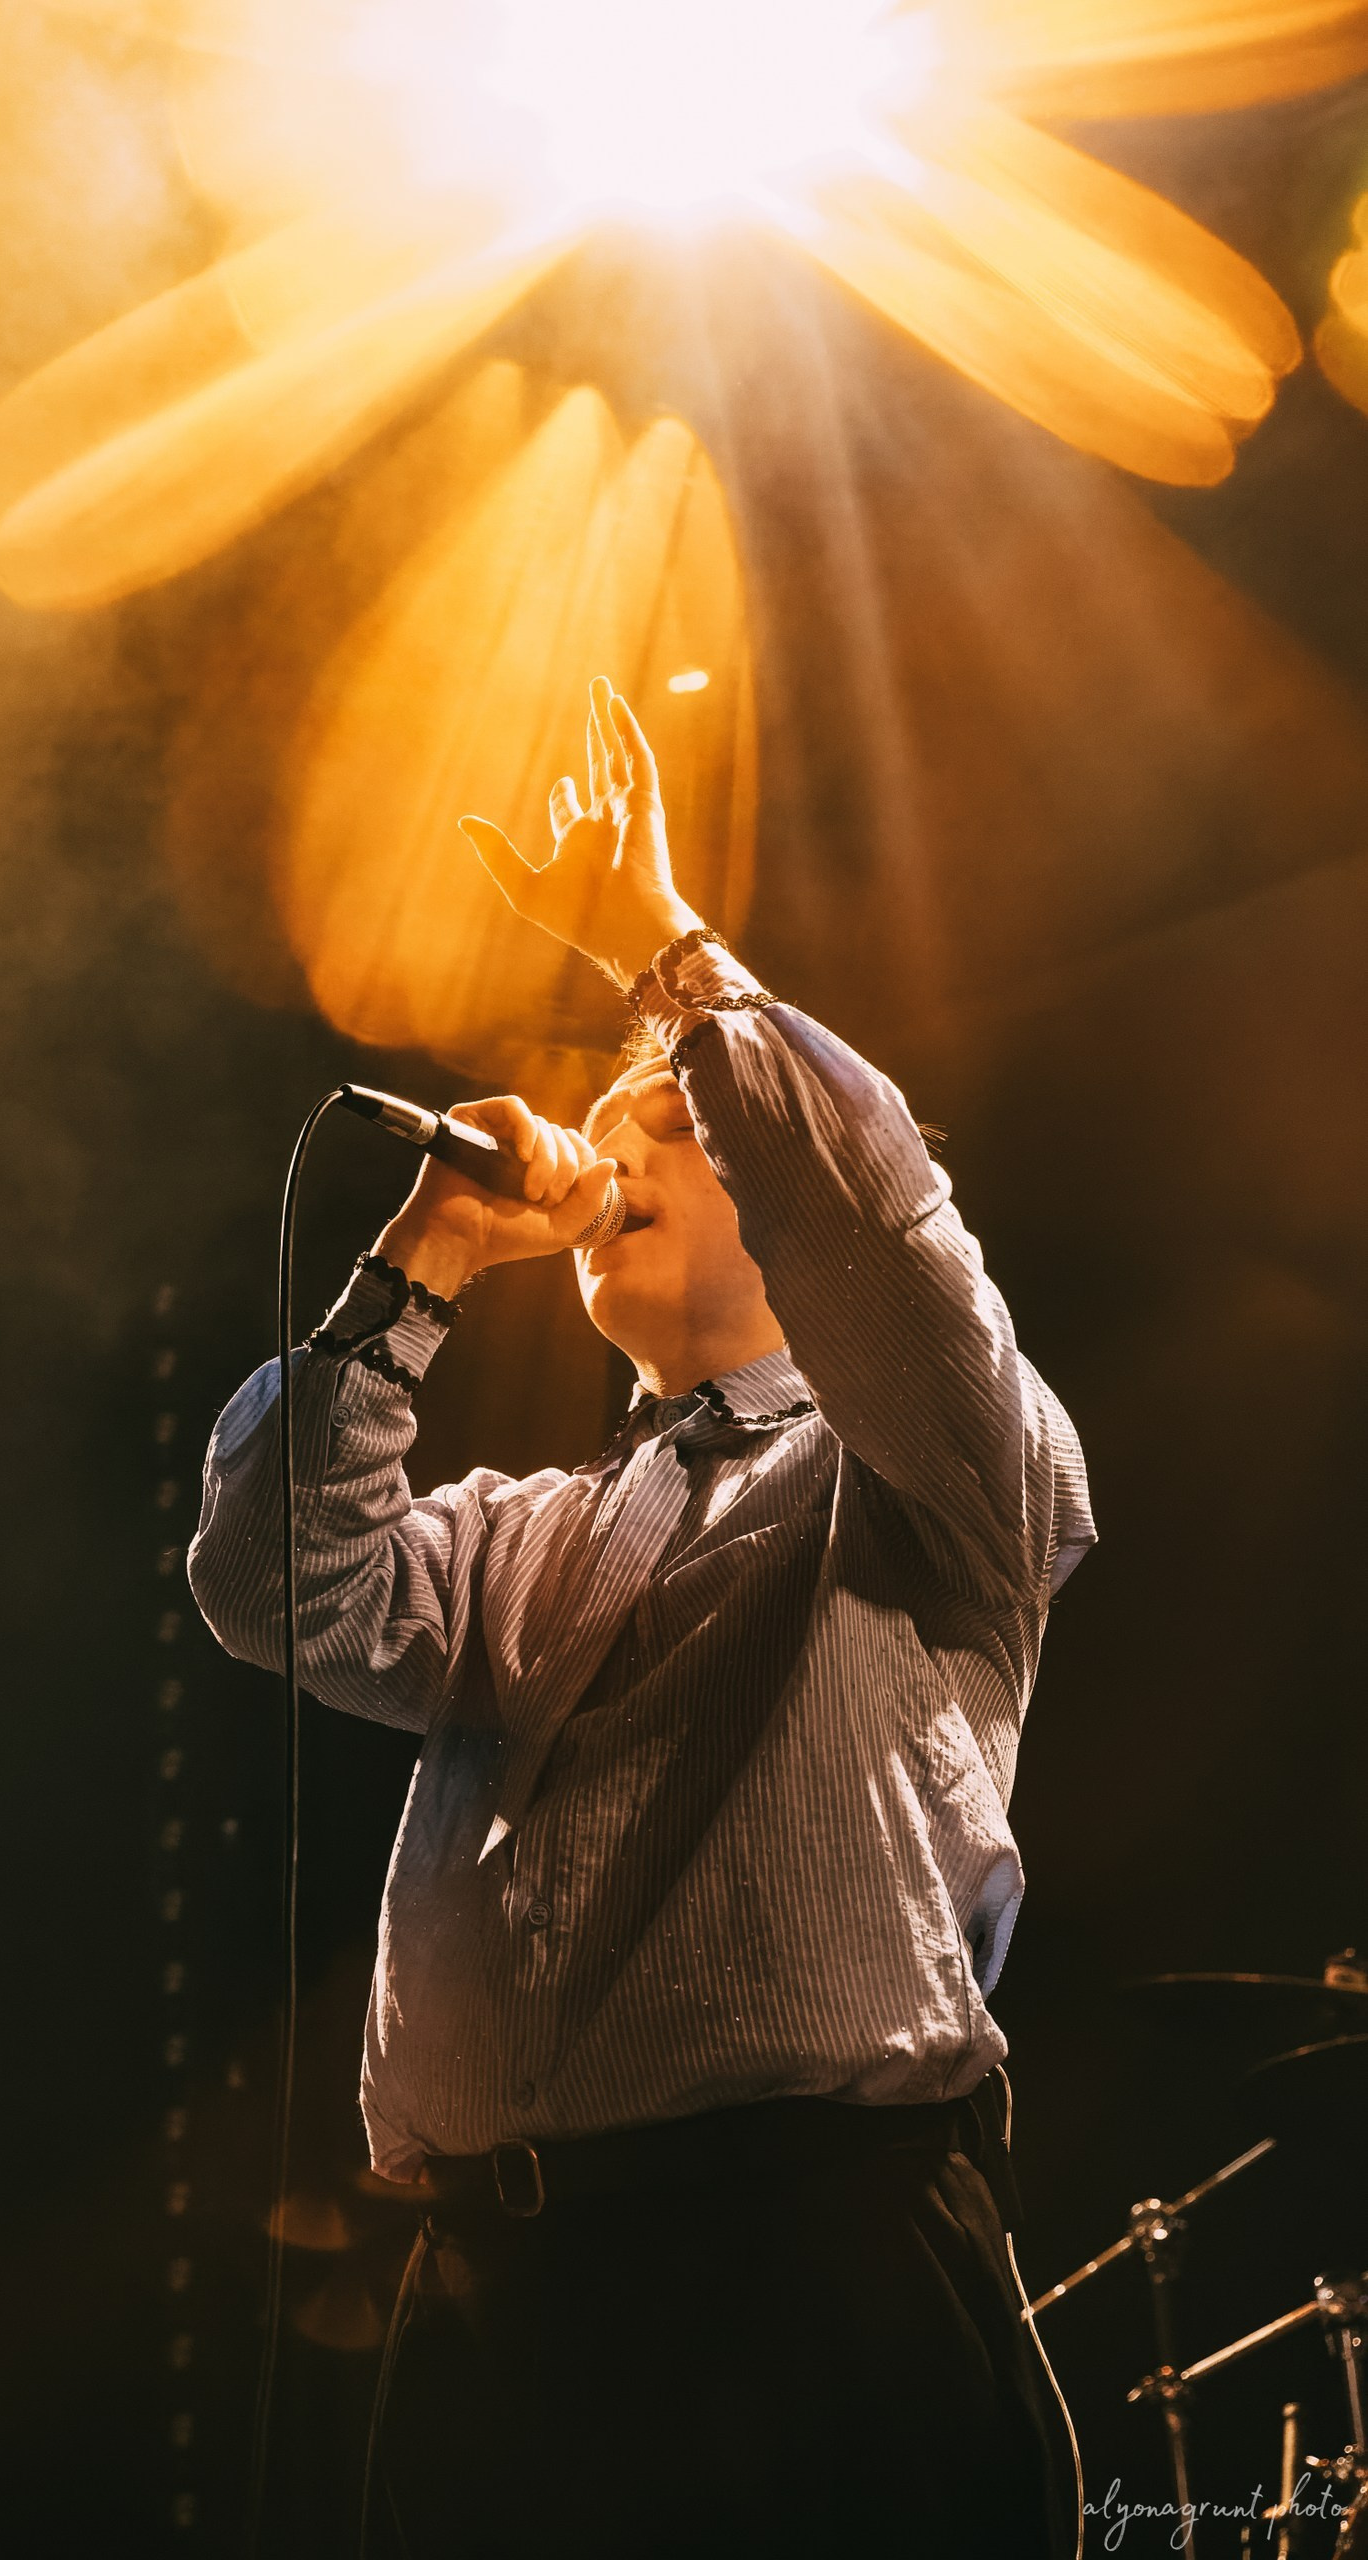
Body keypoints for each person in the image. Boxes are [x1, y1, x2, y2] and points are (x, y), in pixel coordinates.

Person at [189, 678, 1095, 2559]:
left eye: (679, 1122)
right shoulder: (525, 1537)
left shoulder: (931, 1463)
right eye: (612, 1120)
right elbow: (273, 1584)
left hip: (810, 2276)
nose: (616, 1149)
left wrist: (663, 956)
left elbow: (880, 1219)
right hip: (503, 2316)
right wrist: (429, 1255)